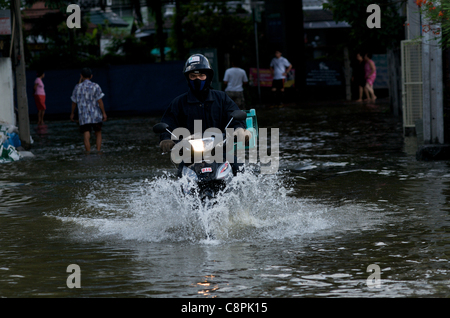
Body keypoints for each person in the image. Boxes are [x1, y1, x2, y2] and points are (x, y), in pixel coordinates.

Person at [158, 54, 252, 175]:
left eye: (201, 75)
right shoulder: (178, 103)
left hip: (220, 152)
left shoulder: (222, 98)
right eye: (193, 76)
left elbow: (235, 117)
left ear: (208, 76)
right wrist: (166, 139)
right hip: (190, 155)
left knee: (241, 170)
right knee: (180, 177)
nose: (197, 79)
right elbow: (168, 124)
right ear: (188, 78)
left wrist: (239, 130)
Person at [70, 67, 107, 152]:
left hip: (83, 115)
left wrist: (72, 113)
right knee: (98, 132)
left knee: (86, 133)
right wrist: (104, 113)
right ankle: (98, 151)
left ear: (81, 76)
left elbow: (74, 102)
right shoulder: (96, 86)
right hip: (96, 114)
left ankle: (88, 152)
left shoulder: (77, 87)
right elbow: (100, 101)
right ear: (91, 76)